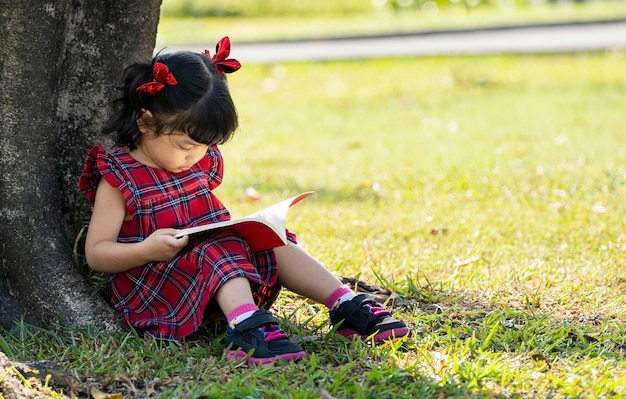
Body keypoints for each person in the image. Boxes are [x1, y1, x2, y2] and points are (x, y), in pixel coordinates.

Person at [79, 37, 409, 365]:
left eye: (205, 147)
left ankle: (346, 305)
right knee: (215, 250)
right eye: (184, 146)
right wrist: (147, 249)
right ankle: (246, 329)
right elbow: (96, 254)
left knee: (268, 240)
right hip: (159, 285)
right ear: (145, 121)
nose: (196, 156)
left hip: (214, 280)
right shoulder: (120, 176)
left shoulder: (196, 159)